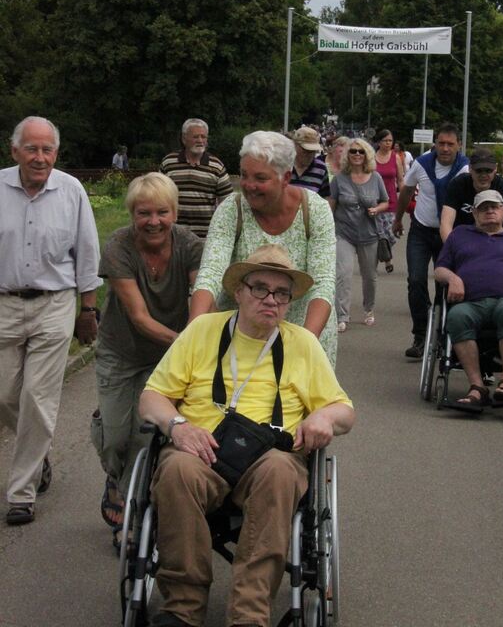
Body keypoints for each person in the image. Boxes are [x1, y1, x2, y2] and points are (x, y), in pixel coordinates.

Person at [138, 244, 355, 627]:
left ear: (289, 301)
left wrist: (323, 416)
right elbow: (152, 397)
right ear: (238, 291)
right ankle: (182, 609)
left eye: (282, 293)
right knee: (175, 473)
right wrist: (178, 427)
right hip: (200, 447)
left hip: (272, 454)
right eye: (260, 288)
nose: (271, 300)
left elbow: (344, 411)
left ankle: (248, 615)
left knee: (280, 473)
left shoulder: (302, 343)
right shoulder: (202, 331)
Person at [92, 172, 203, 548]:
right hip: (121, 351)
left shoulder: (188, 243)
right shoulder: (119, 247)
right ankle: (113, 461)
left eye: (161, 212)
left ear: (174, 212)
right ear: (131, 214)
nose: (153, 221)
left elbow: (201, 296)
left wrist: (194, 340)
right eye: (143, 213)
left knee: (145, 432)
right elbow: (139, 318)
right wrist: (186, 344)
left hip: (165, 358)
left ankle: (132, 510)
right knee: (114, 438)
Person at [0, 116, 101, 526]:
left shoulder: (71, 191)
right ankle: (39, 456)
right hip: (4, 304)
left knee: (37, 399)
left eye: (47, 150)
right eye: (31, 149)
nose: (39, 158)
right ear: (15, 151)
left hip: (54, 304)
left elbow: (87, 252)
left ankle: (21, 493)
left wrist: (88, 308)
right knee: (6, 396)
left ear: (56, 154)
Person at [189, 130, 338, 365]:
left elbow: (323, 282)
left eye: (260, 178)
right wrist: (193, 330)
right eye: (244, 175)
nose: (248, 185)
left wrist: (306, 343)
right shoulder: (231, 210)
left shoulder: (316, 211)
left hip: (303, 330)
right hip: (242, 335)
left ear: (286, 178)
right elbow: (211, 272)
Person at [435, 190, 503, 410]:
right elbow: (440, 269)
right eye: (483, 207)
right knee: (457, 316)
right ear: (475, 213)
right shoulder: (460, 235)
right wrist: (452, 278)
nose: (489, 211)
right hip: (469, 302)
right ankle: (477, 387)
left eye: (494, 207)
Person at [392, 123, 469, 359]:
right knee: (415, 280)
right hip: (421, 230)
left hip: (450, 234)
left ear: (459, 146)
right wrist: (398, 219)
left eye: (450, 144)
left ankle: (443, 335)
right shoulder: (422, 164)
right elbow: (406, 190)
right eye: (441, 143)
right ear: (435, 143)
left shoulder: (465, 169)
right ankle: (421, 335)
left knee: (444, 285)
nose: (445, 148)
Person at [329, 138, 389, 331]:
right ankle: (342, 316)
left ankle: (369, 309)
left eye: (360, 152)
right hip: (343, 232)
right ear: (347, 155)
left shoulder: (375, 178)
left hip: (369, 234)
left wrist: (376, 209)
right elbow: (332, 203)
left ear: (367, 155)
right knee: (343, 274)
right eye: (353, 151)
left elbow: (386, 201)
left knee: (369, 276)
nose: (356, 155)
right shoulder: (339, 178)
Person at [160, 118, 233, 239]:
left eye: (203, 137)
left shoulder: (216, 166)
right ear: (184, 139)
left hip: (205, 237)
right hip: (173, 235)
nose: (200, 141)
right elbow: (158, 197)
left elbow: (227, 203)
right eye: (195, 137)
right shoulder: (169, 163)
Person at [440, 147, 503, 242]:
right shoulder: (458, 185)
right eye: (479, 170)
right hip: (462, 239)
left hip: (495, 241)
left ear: (495, 168)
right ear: (470, 168)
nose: (483, 175)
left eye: (488, 170)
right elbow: (446, 224)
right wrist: (453, 248)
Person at [374, 129, 404, 273]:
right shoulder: (371, 157)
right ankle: (387, 260)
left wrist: (404, 197)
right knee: (378, 233)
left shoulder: (395, 157)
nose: (388, 143)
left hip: (391, 200)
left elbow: (400, 179)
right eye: (385, 141)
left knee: (389, 234)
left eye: (390, 141)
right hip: (375, 201)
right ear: (379, 142)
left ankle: (386, 254)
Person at [290, 126, 330, 198]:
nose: (310, 155)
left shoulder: (321, 168)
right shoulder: (283, 165)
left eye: (313, 151)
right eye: (305, 151)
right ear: (295, 146)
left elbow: (325, 197)